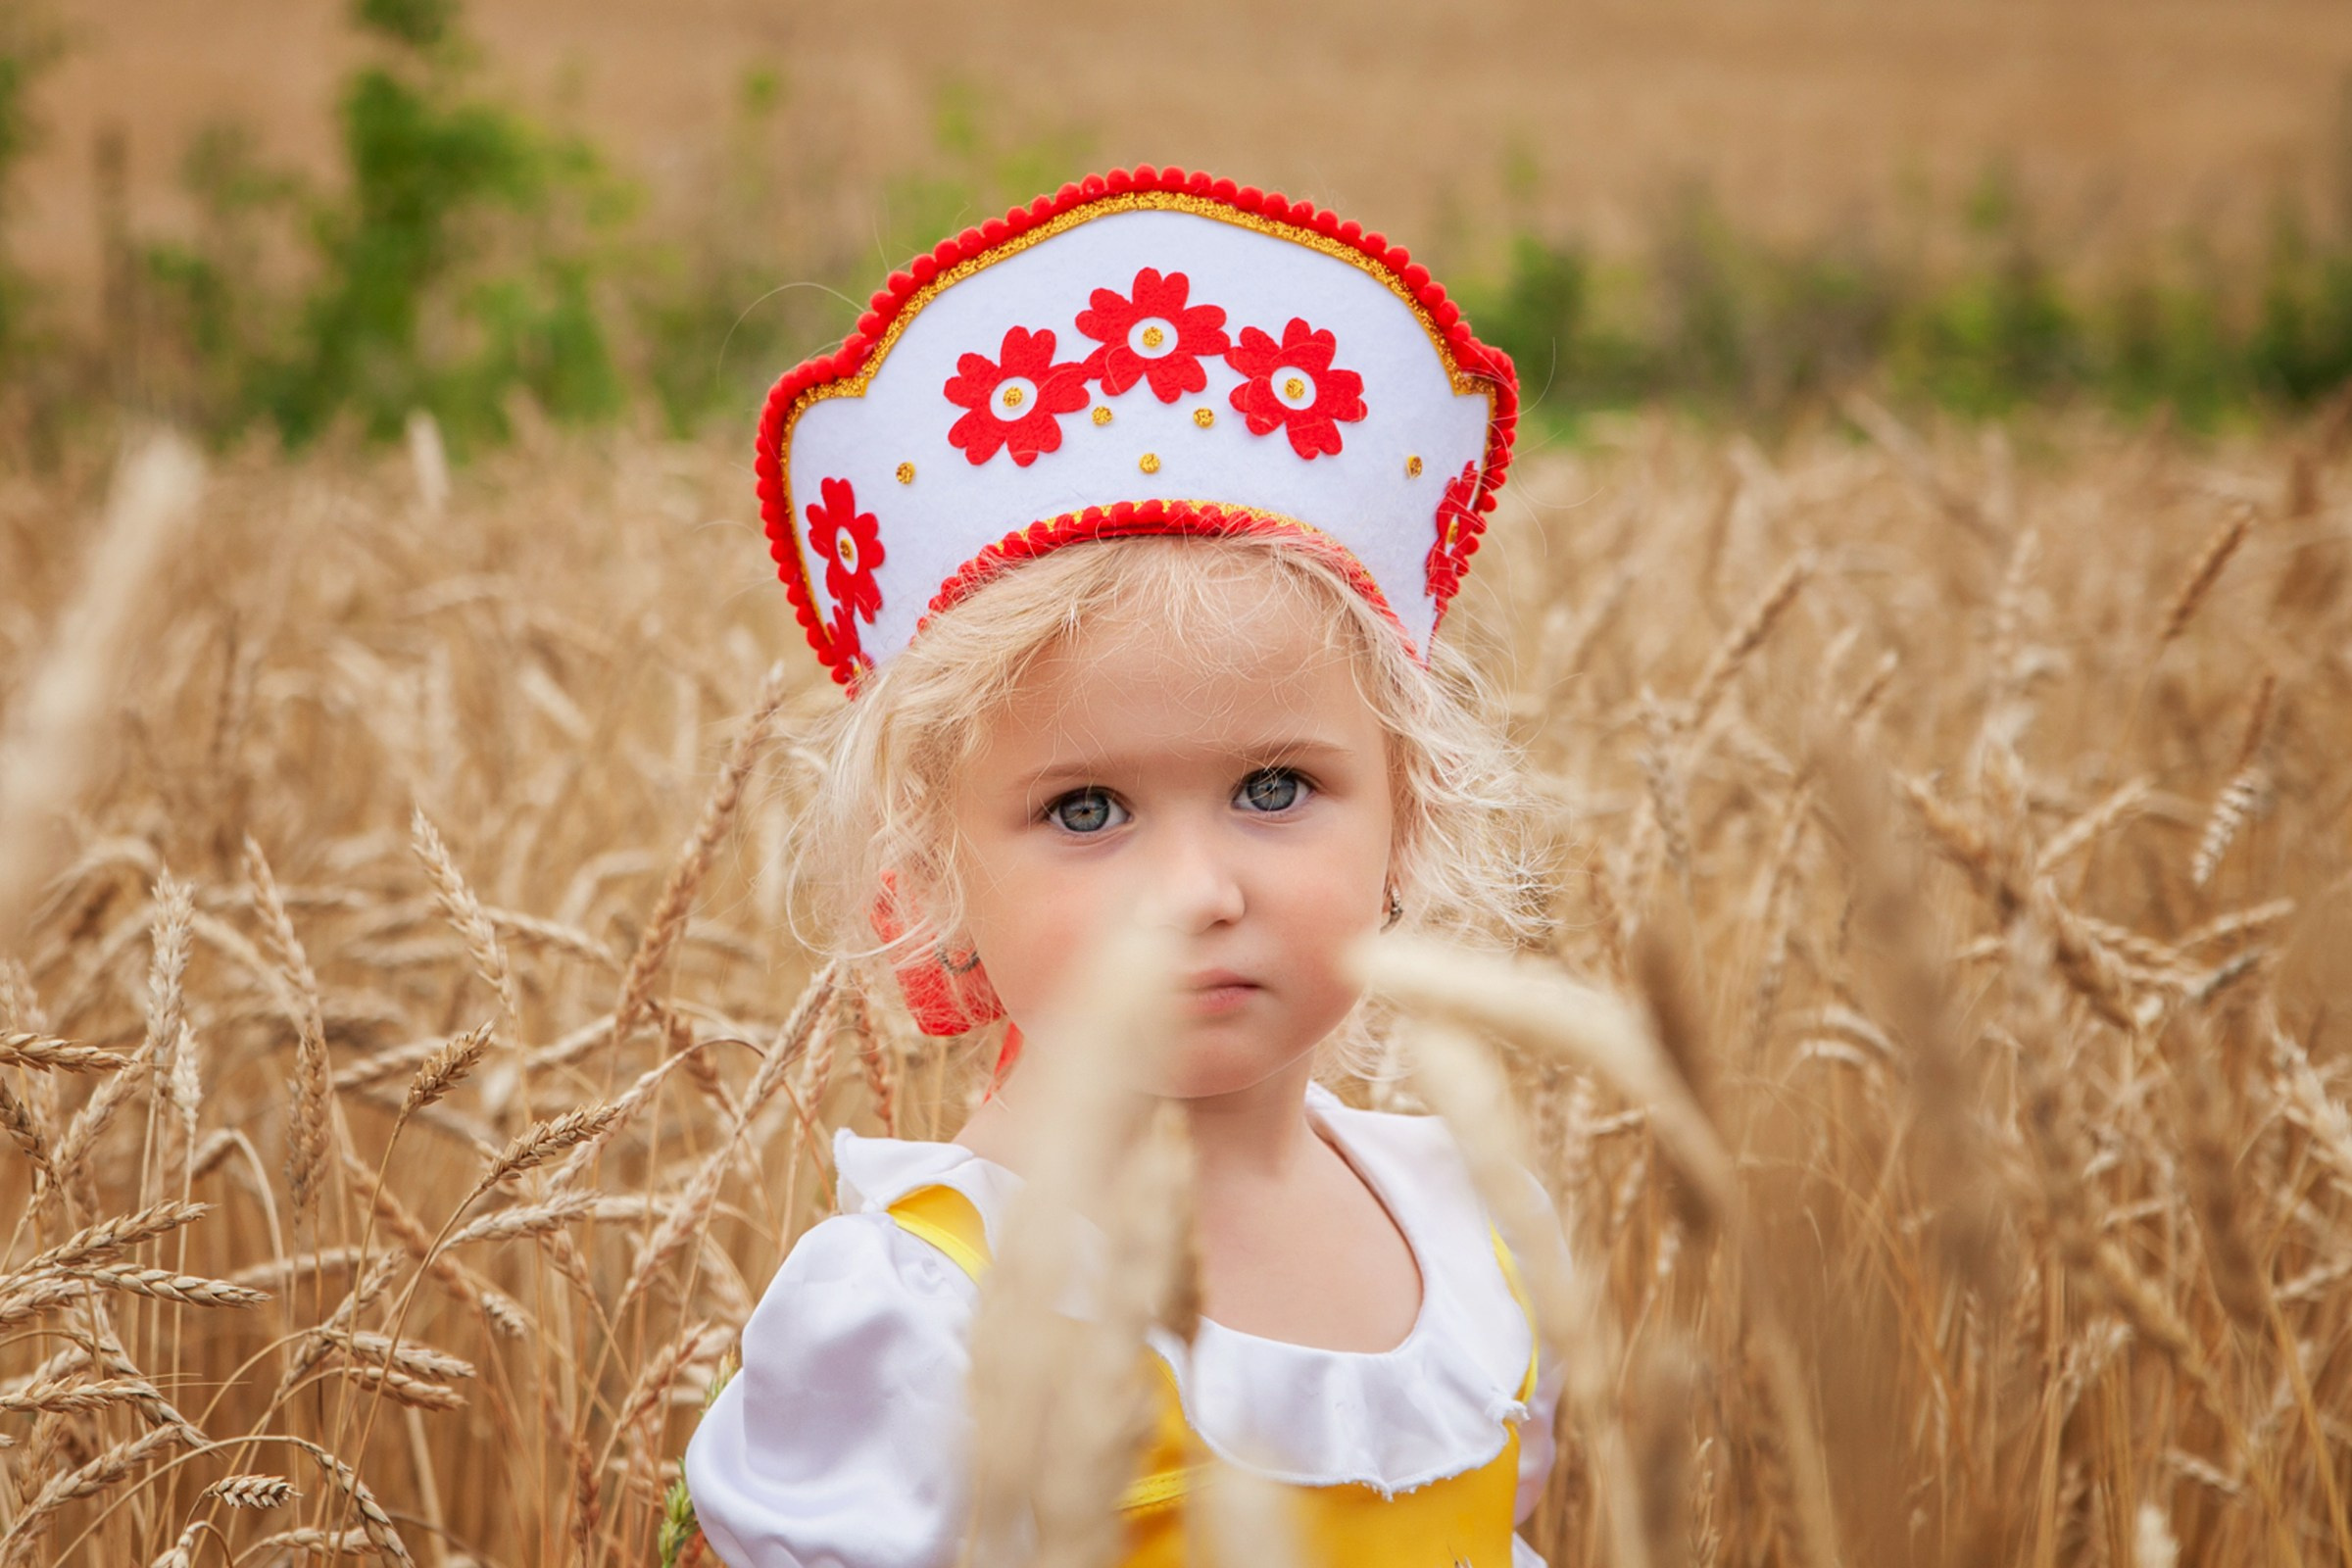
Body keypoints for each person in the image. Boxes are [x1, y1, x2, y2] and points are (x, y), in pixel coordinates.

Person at [681, 166, 1568, 1567]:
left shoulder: (1474, 1229)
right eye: (1086, 809)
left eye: (1275, 789)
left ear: (1412, 813)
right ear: (933, 869)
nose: (1195, 893)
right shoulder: (926, 1320)